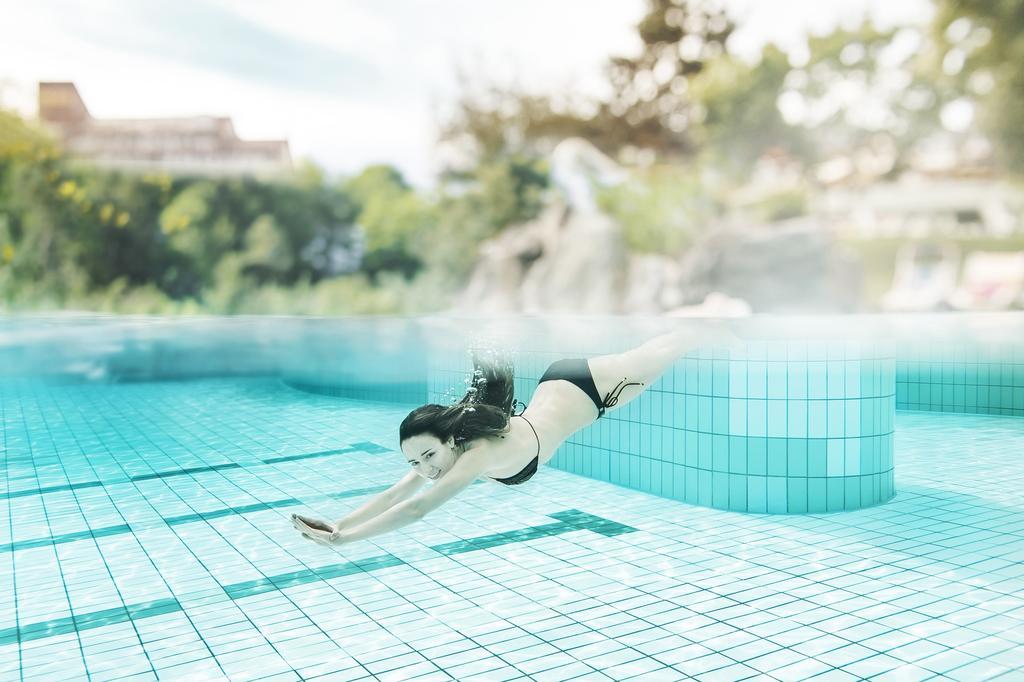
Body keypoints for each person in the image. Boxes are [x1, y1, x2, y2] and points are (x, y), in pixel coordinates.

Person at [291, 325, 737, 546]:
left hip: (589, 389)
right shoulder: (452, 447)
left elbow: (416, 509)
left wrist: (343, 543)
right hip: (560, 385)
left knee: (662, 350)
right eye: (415, 463)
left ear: (447, 441)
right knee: (655, 353)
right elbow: (396, 494)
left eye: (427, 456)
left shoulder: (477, 452)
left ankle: (723, 325)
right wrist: (338, 523)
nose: (425, 469)